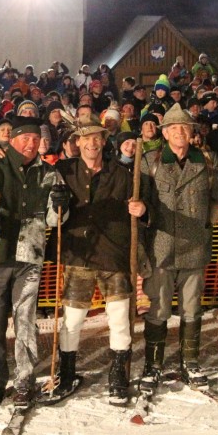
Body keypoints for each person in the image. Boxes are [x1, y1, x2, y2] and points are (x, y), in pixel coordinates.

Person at [0, 115, 68, 407]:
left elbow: (54, 220)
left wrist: (60, 206)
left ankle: (24, 379)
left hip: (29, 255)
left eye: (36, 139)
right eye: (25, 138)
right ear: (13, 139)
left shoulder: (49, 173)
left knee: (25, 320)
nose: (31, 144)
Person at [139, 105, 218, 389]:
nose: (180, 132)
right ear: (164, 133)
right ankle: (153, 365)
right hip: (161, 248)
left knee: (192, 309)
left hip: (195, 248)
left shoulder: (207, 161)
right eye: (174, 128)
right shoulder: (149, 161)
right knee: (158, 309)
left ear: (192, 133)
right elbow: (141, 202)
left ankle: (190, 362)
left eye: (185, 128)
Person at [54, 114, 145, 403]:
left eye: (98, 138)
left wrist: (140, 209)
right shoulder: (62, 171)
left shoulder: (122, 173)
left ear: (104, 142)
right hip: (78, 253)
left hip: (113, 253)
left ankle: (119, 374)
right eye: (87, 138)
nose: (92, 143)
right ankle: (67, 373)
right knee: (73, 318)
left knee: (119, 317)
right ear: (77, 142)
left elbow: (140, 206)